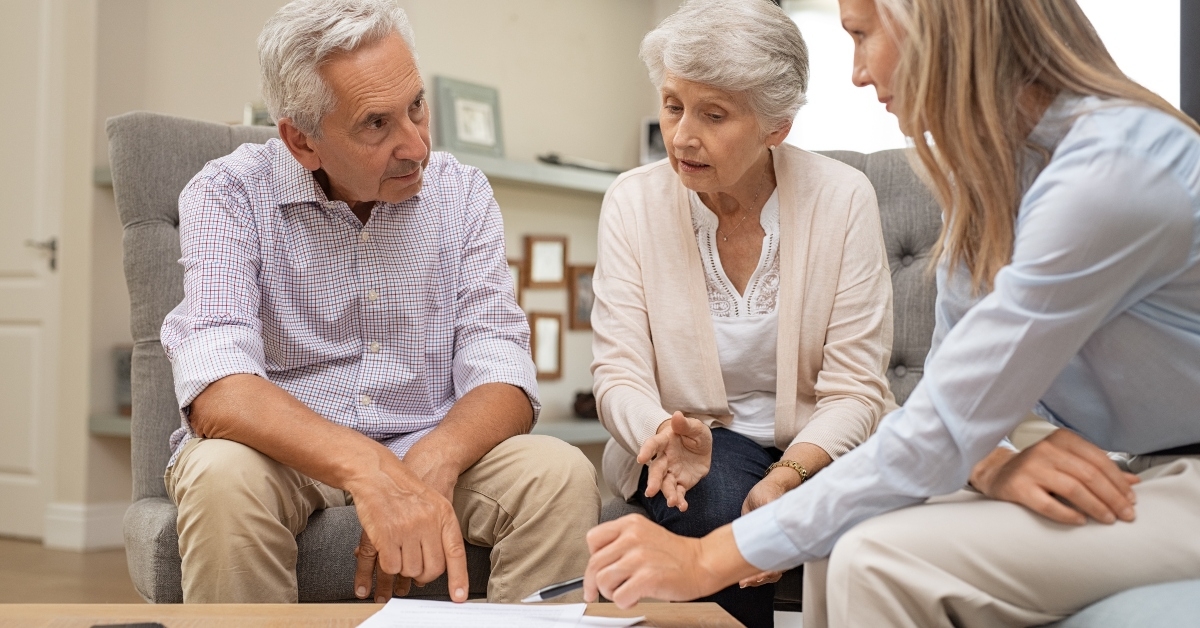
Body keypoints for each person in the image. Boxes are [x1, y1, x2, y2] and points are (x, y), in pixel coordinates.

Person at [583, 0, 1200, 625]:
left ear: (933, 26)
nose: (855, 73)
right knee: (843, 541)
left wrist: (710, 559)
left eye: (860, 35)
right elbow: (952, 388)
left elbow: (934, 415)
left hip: (1182, 476)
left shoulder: (1109, 172)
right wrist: (989, 460)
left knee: (871, 558)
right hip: (1136, 466)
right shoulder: (987, 179)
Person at [161, 0, 599, 604]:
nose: (416, 145)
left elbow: (503, 369)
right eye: (376, 124)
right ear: (301, 141)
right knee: (220, 476)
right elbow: (218, 386)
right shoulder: (227, 195)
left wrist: (435, 458)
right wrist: (369, 471)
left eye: (416, 106)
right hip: (280, 458)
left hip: (429, 440)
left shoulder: (463, 194)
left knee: (559, 474)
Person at [590, 1, 895, 625]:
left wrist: (788, 475)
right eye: (674, 104)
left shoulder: (843, 200)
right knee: (720, 492)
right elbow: (618, 374)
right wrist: (664, 437)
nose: (682, 137)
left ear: (775, 126)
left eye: (715, 114)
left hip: (818, 448)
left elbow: (856, 390)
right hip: (688, 449)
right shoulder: (632, 202)